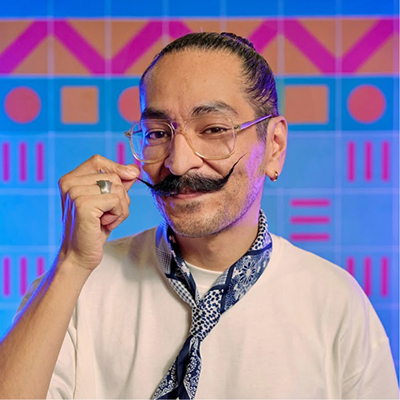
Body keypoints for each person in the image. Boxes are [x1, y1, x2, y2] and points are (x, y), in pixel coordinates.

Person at [0, 32, 398, 399]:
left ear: (274, 146)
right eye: (157, 133)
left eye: (213, 129)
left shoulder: (334, 302)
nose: (178, 162)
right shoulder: (75, 288)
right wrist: (72, 263)